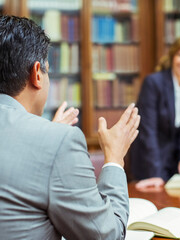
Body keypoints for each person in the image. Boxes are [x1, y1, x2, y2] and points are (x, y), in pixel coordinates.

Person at [0, 15, 140, 240]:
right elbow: (106, 235)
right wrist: (114, 158)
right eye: (47, 70)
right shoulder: (58, 141)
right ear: (37, 73)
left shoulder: (51, 141)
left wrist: (46, 142)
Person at [130, 34, 180, 188]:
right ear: (173, 56)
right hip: (148, 162)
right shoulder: (153, 83)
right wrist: (155, 174)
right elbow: (148, 132)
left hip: (173, 164)